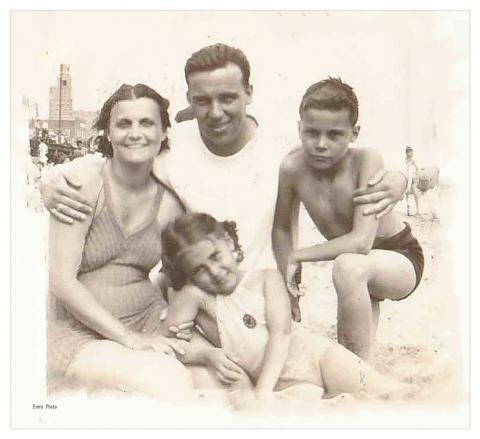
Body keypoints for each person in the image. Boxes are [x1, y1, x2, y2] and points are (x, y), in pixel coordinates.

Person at [40, 43, 408, 279]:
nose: (215, 112)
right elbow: (110, 163)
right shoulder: (171, 146)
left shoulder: (286, 149)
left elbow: (348, 158)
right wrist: (48, 181)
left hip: (268, 300)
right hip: (197, 301)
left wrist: (398, 180)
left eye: (228, 98)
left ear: (249, 93)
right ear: (189, 99)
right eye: (203, 101)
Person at [159, 212, 412, 408]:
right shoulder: (196, 296)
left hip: (315, 359)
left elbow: (281, 334)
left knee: (387, 394)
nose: (214, 272)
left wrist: (262, 391)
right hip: (281, 384)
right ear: (188, 275)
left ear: (228, 242)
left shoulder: (266, 278)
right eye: (199, 269)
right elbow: (167, 342)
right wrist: (207, 355)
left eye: (215, 257)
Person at [47, 83, 195, 399]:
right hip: (79, 334)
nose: (135, 133)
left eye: (146, 123)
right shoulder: (84, 185)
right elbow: (61, 281)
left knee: (219, 371)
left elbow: (174, 274)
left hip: (148, 318)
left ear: (164, 133)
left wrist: (177, 314)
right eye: (124, 124)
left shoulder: (171, 203)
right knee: (169, 383)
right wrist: (129, 338)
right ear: (108, 133)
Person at [272, 78, 424, 362]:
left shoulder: (366, 160)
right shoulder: (292, 168)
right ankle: (359, 371)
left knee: (348, 266)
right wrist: (287, 276)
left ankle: (352, 374)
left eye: (334, 135)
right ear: (299, 128)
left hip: (399, 258)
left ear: (354, 133)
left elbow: (361, 242)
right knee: (361, 354)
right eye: (311, 132)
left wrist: (298, 255)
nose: (321, 144)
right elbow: (282, 227)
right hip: (360, 271)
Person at [405, 145, 422, 216]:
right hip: (408, 178)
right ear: (407, 153)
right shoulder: (406, 160)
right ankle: (408, 210)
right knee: (407, 195)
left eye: (412, 152)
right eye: (410, 152)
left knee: (415, 195)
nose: (412, 153)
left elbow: (417, 168)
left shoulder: (413, 160)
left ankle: (417, 211)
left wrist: (416, 174)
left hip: (412, 178)